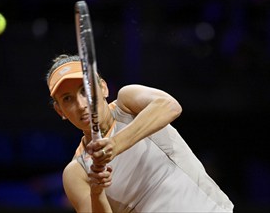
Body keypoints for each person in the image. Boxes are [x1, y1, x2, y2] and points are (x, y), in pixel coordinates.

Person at [45, 54, 234, 212]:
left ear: (103, 87)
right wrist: (97, 191)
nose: (80, 104)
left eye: (85, 90)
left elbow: (170, 106)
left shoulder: (127, 104)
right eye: (67, 99)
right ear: (60, 110)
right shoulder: (77, 172)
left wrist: (116, 144)